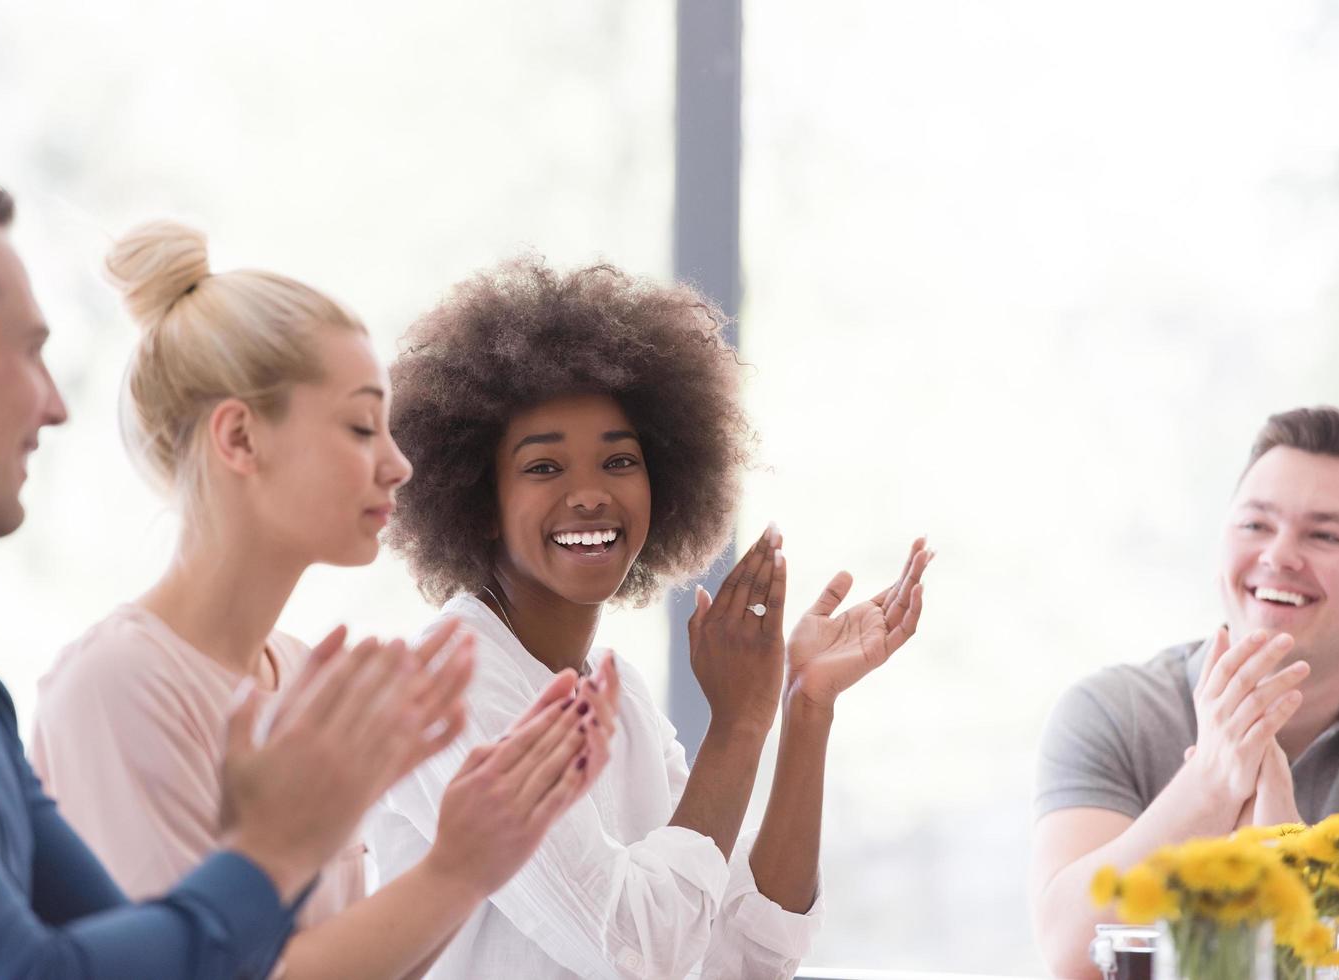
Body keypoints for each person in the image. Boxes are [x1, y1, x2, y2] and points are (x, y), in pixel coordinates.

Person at [0, 164, 458, 978]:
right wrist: (279, 852)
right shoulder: (106, 680)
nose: (56, 405)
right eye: (28, 352)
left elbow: (166, 952)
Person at [30, 221, 615, 980]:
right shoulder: (117, 687)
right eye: (360, 425)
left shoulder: (304, 678)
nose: (398, 465)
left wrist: (486, 844)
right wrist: (459, 869)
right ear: (239, 438)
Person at [366, 258, 933, 979]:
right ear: (478, 501)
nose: (588, 495)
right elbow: (634, 953)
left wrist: (802, 706)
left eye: (619, 462)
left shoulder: (620, 698)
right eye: (543, 468)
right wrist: (735, 728)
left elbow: (740, 957)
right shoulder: (451, 685)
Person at [1031, 406, 1339, 978]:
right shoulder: (1113, 712)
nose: (1279, 555)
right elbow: (1072, 954)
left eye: (1325, 534)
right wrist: (1211, 785)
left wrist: (1291, 848)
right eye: (1255, 525)